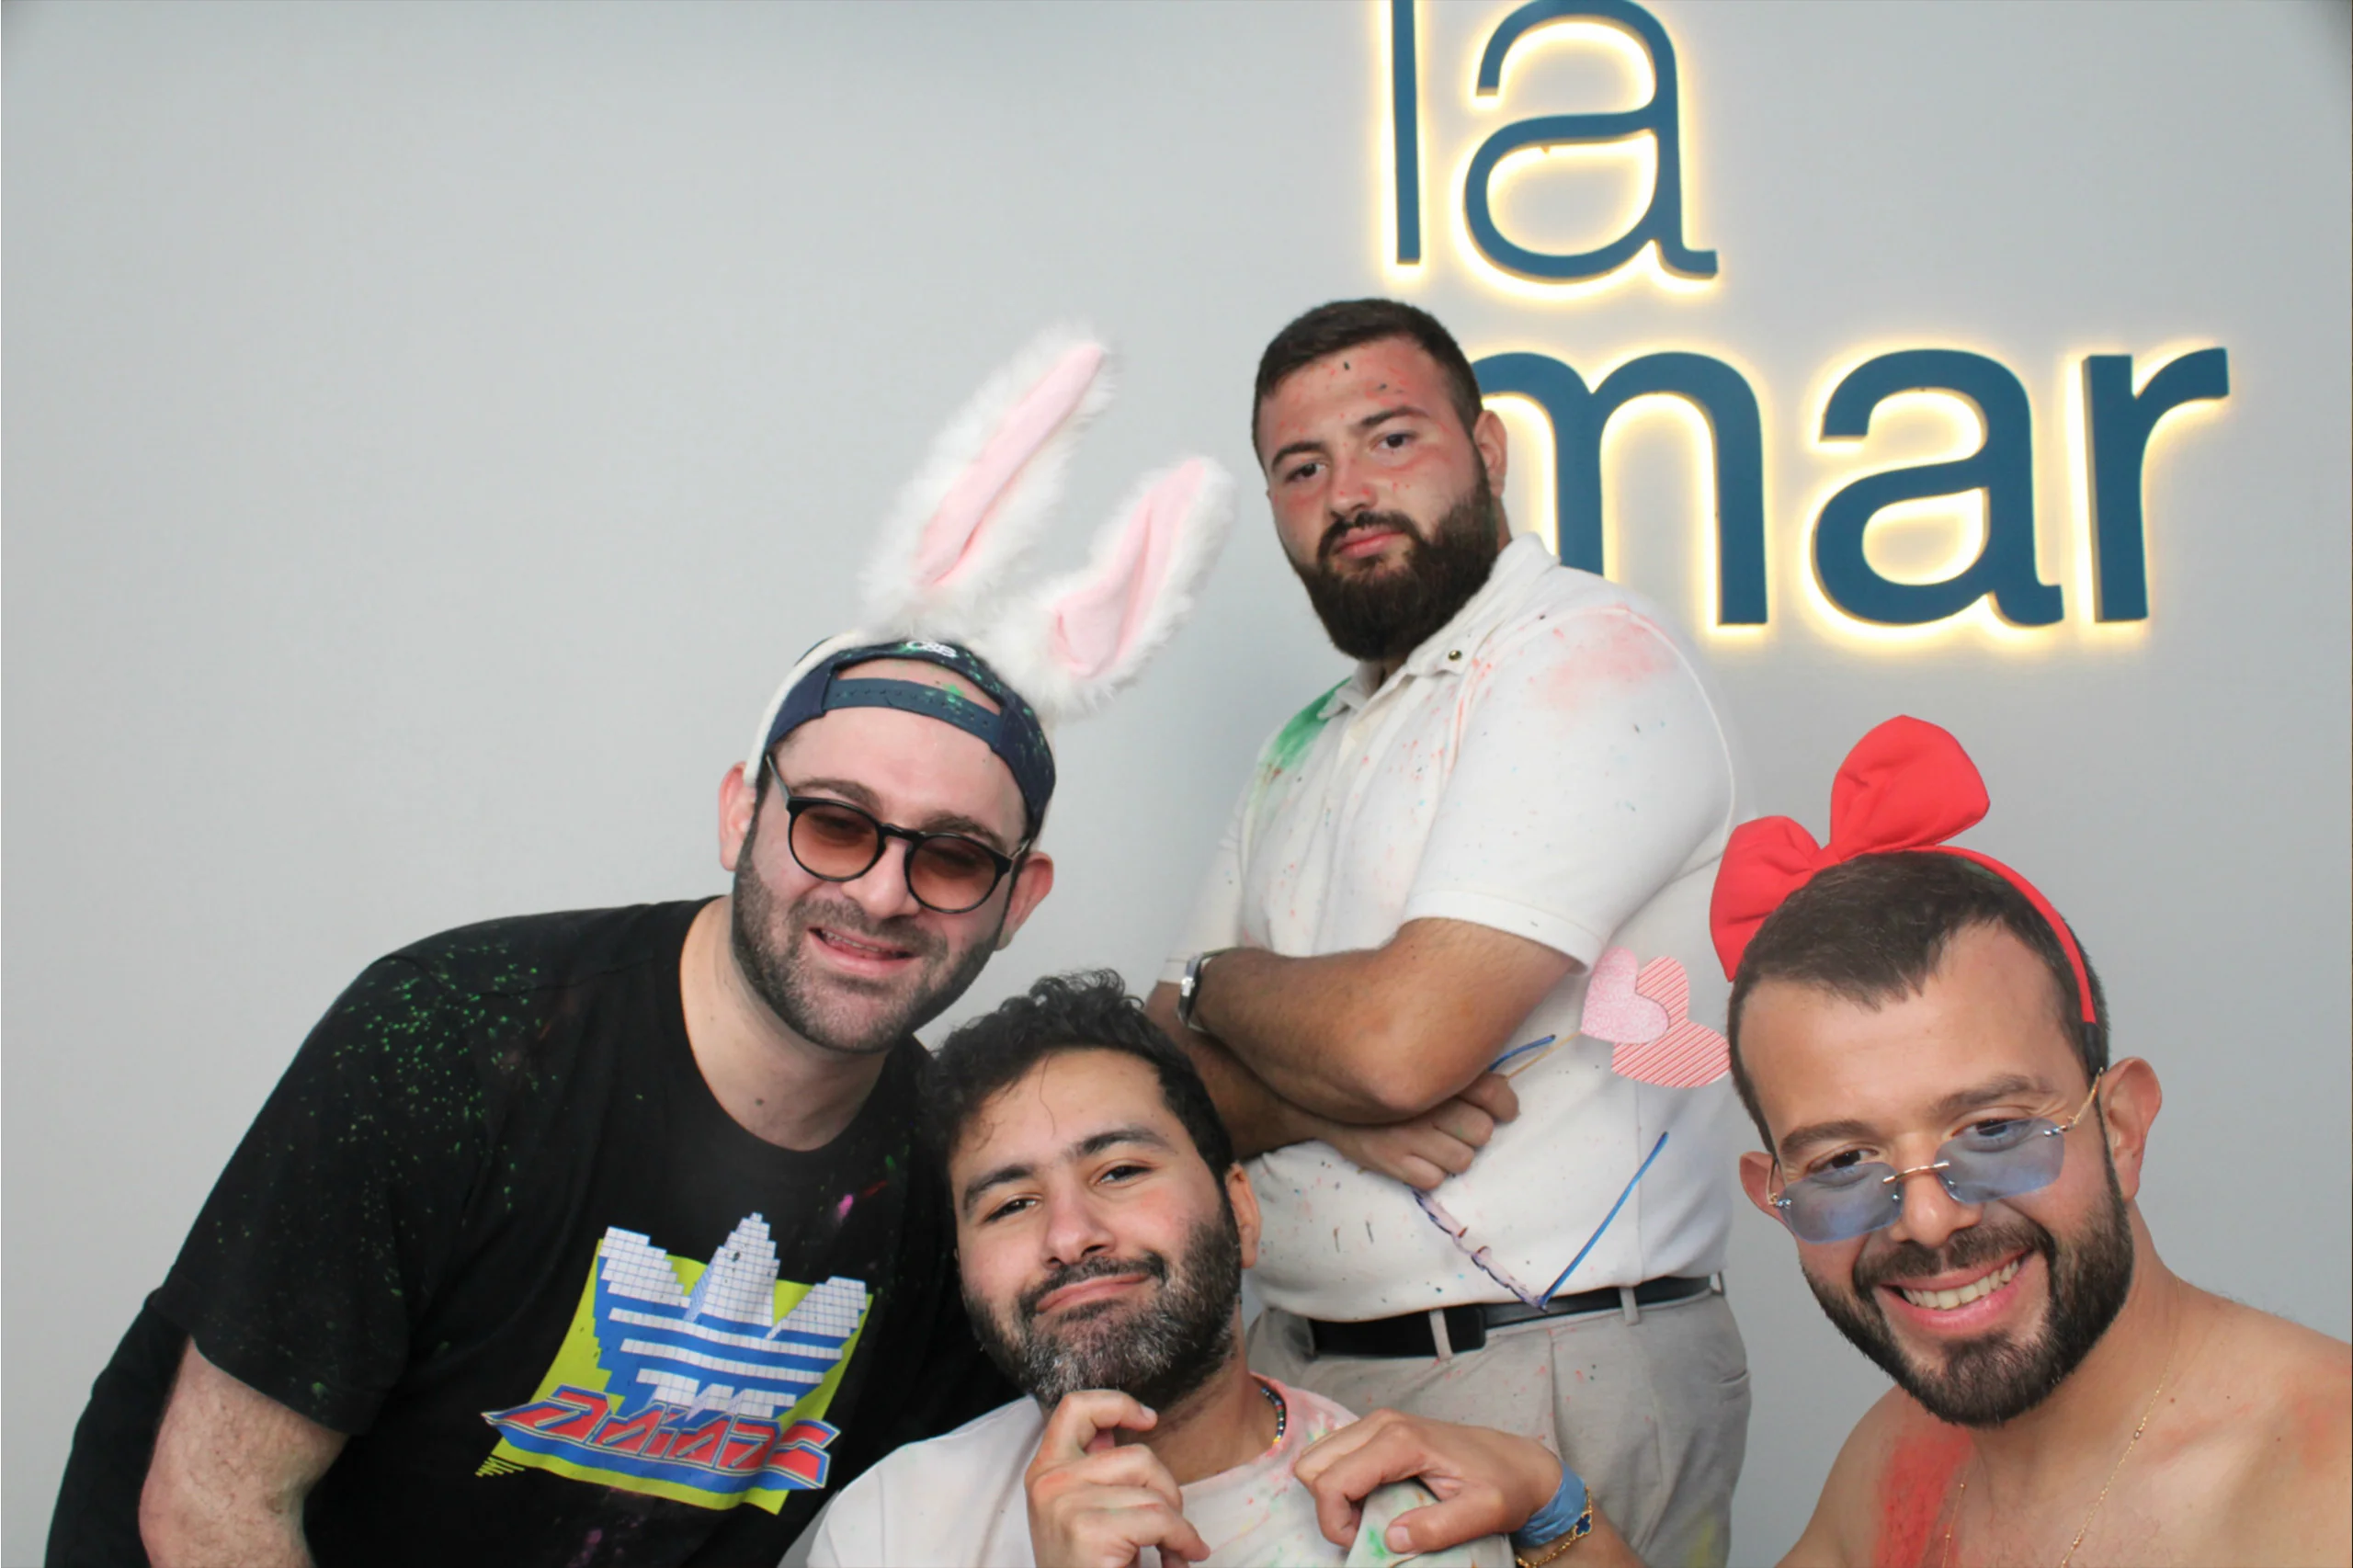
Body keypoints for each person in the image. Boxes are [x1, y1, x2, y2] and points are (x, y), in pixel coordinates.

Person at [47, 331, 1234, 1568]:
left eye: (949, 855)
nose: (881, 892)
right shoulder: (456, 1037)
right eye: (833, 823)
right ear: (739, 811)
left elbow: (1147, 1367)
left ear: (1018, 895)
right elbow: (210, 1510)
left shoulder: (960, 1180)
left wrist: (1458, 1435)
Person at [1147, 298, 1748, 1567]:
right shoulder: (1306, 739)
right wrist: (1327, 1107)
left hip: (1545, 1368)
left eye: (1391, 440)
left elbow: (1403, 1043)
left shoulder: (1585, 657)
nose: (1347, 492)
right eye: (1301, 468)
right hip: (1297, 1370)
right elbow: (1159, 1090)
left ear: (1488, 445)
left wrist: (1218, 980)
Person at [1711, 716, 2352, 1568]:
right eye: (1844, 1163)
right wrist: (1553, 1514)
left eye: (1993, 1130)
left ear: (2120, 1127)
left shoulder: (2323, 1488)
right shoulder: (1898, 1455)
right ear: (1776, 1195)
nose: (1930, 1221)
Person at [801, 971, 1643, 1568]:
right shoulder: (889, 1521)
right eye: (1009, 1205)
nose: (1070, 1235)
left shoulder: (1396, 1521)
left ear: (1241, 1211)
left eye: (1120, 1171)